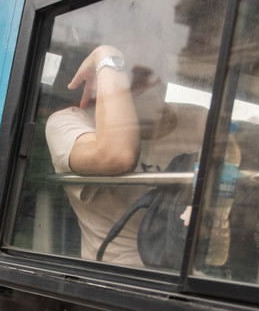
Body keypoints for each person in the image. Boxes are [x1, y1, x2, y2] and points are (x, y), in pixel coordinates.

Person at [46, 45, 207, 265]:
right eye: (140, 74)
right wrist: (107, 56)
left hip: (193, 270)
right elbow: (117, 156)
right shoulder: (69, 123)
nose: (155, 81)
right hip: (117, 279)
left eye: (160, 65)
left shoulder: (197, 121)